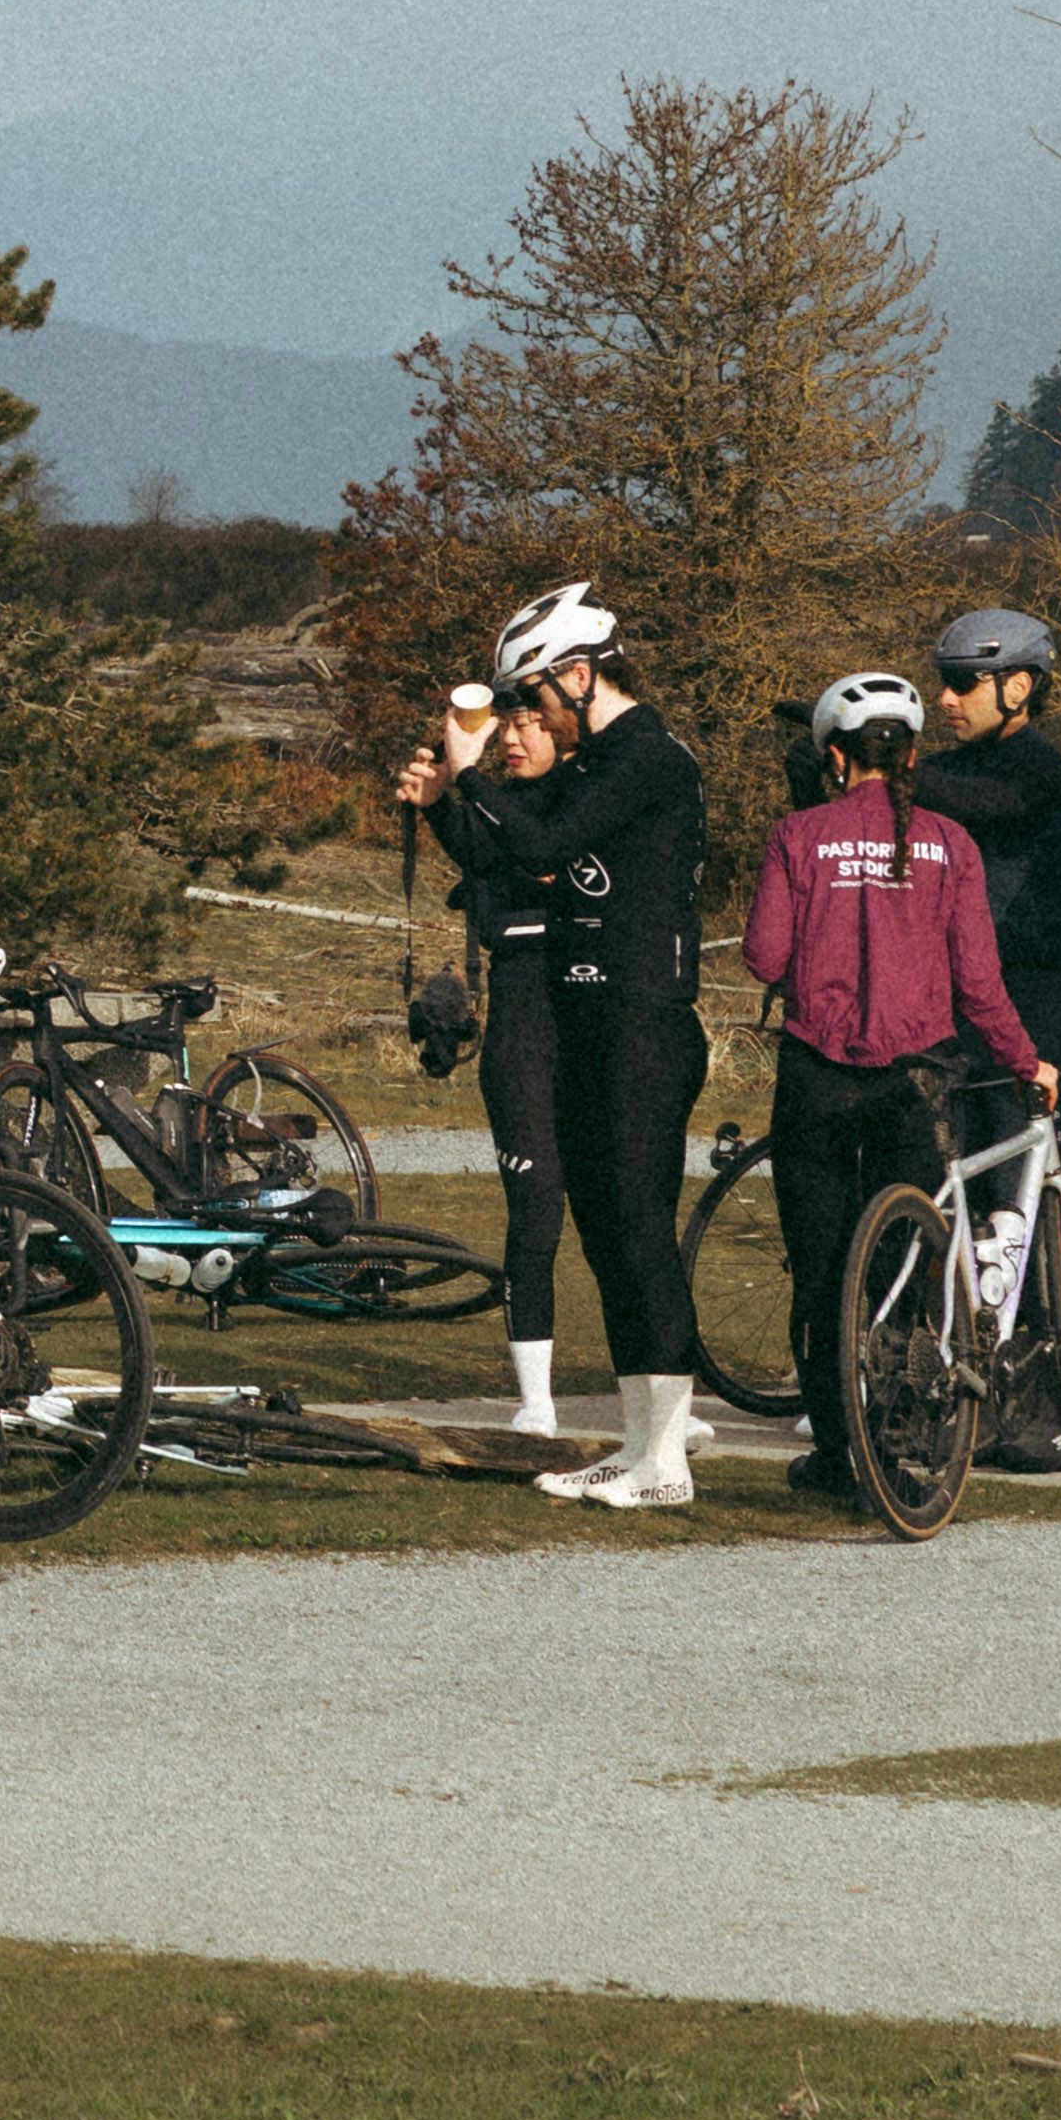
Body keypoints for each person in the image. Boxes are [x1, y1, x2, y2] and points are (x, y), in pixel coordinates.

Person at [748, 674, 1049, 1502]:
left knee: (818, 1275)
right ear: (913, 754)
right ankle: (903, 1442)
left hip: (814, 1077)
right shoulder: (952, 843)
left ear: (833, 758)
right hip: (914, 1085)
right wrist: (1028, 1061)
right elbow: (979, 985)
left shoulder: (797, 833)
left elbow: (763, 958)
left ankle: (833, 1456)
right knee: (903, 1272)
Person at [471, 584, 721, 1514]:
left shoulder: (647, 759)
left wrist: (468, 779)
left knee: (639, 1236)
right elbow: (506, 854)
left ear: (578, 676)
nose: (526, 720)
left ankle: (666, 1460)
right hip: (585, 1023)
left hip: (643, 1026)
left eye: (533, 699)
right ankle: (636, 1446)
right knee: (607, 1240)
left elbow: (542, 839)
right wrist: (443, 799)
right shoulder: (592, 758)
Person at [395, 672, 575, 1437]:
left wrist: (460, 790)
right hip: (522, 1020)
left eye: (530, 722)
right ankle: (534, 1398)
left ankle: (655, 1385)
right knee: (533, 1210)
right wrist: (436, 800)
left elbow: (535, 853)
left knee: (623, 1217)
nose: (510, 736)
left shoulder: (594, 799)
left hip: (596, 1016)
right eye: (505, 723)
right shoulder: (501, 808)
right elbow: (487, 854)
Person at [919, 609, 1061, 1146]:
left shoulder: (1045, 772)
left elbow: (989, 802)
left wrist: (887, 768)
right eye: (943, 683)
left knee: (1011, 1171)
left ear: (1018, 687)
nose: (946, 699)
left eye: (963, 683)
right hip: (965, 991)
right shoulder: (949, 766)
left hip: (1034, 991)